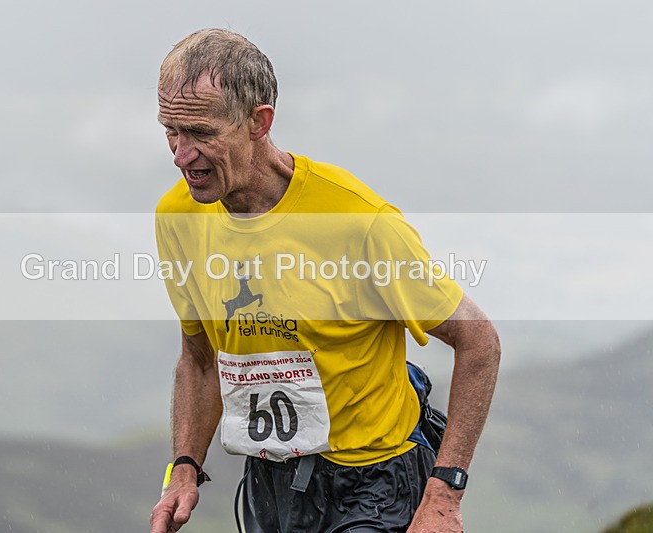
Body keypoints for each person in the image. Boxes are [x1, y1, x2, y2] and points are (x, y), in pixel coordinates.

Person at [150, 28, 500, 533]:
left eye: (201, 133)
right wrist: (183, 470)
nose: (181, 155)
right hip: (270, 481)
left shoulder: (356, 221)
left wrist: (444, 496)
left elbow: (479, 341)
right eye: (171, 131)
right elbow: (200, 358)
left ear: (258, 121)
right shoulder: (177, 216)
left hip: (374, 484)